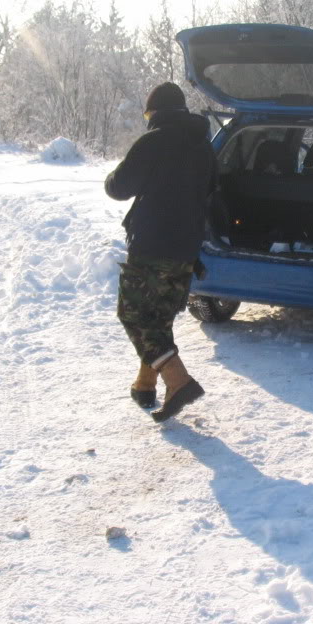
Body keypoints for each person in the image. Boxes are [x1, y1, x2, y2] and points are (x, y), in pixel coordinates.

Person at [105, 82, 218, 422]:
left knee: (134, 315)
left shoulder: (153, 141)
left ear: (153, 112)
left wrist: (111, 174)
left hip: (152, 246)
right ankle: (145, 385)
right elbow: (211, 191)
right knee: (158, 319)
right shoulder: (204, 148)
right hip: (185, 249)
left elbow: (119, 187)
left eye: (147, 114)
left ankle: (179, 380)